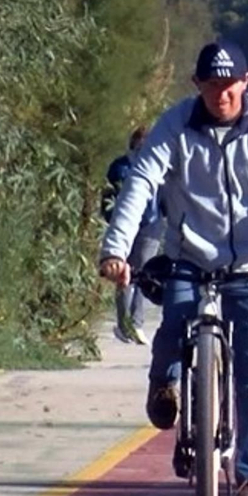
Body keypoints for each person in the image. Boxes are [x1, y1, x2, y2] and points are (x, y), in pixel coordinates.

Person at [97, 39, 248, 496]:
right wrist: (115, 250)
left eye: (229, 86)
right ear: (196, 85)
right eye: (211, 86)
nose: (221, 96)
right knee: (172, 330)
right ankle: (165, 383)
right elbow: (140, 183)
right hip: (188, 258)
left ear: (246, 82)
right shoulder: (175, 125)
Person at [104, 127, 162, 344]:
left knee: (144, 274)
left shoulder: (158, 166)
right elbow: (110, 195)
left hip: (151, 225)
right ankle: (124, 323)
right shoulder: (120, 167)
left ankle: (136, 323)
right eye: (141, 146)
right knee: (124, 275)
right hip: (126, 227)